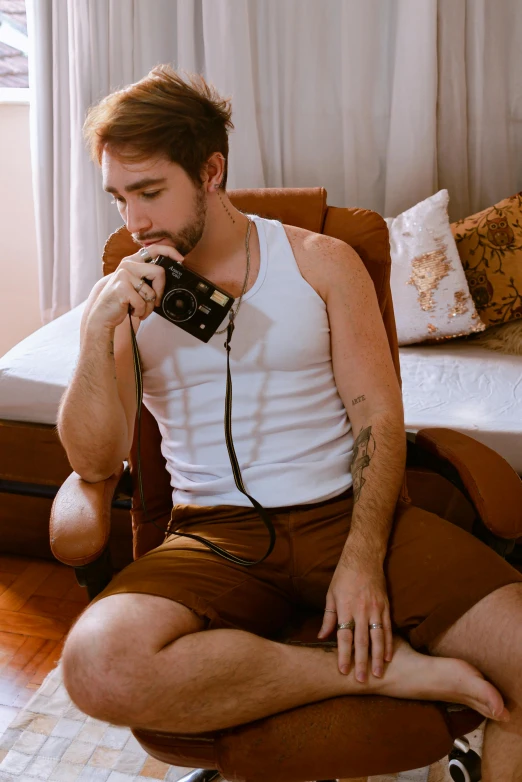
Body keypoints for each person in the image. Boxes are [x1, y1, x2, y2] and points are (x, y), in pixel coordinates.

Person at [58, 65, 522, 780]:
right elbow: (93, 460)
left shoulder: (323, 262)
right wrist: (97, 332)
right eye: (119, 197)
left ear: (211, 170)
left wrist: (363, 559)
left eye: (149, 193)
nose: (134, 222)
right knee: (95, 664)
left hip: (349, 515)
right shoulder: (124, 296)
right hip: (214, 535)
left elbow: (378, 416)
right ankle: (375, 672)